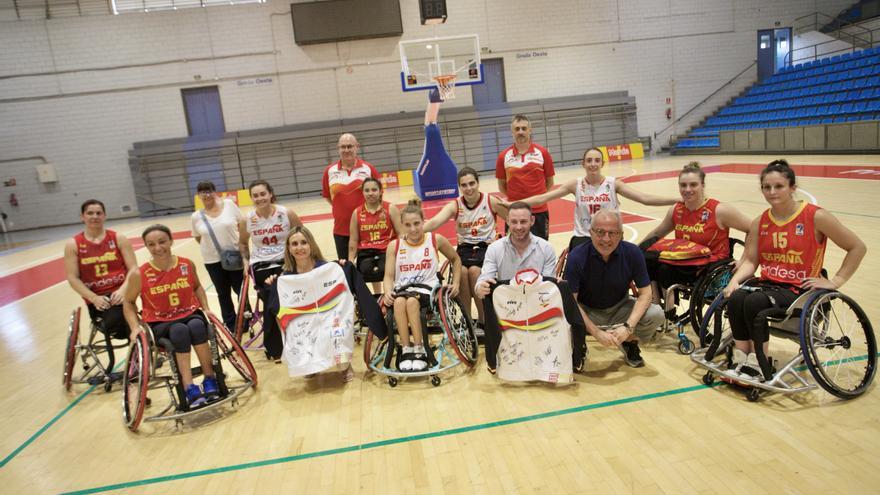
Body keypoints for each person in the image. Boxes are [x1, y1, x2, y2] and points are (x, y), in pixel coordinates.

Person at [722, 159, 866, 379]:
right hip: (770, 285)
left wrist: (835, 281)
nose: (772, 192)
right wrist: (735, 280)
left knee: (753, 302)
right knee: (736, 298)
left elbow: (857, 247)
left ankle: (760, 363)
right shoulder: (760, 221)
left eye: (778, 186)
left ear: (792, 188)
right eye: (766, 187)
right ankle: (742, 357)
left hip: (800, 289)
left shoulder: (815, 216)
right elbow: (751, 261)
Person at [122, 224, 220, 409]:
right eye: (151, 244)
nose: (158, 248)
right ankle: (189, 386)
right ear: (146, 247)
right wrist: (135, 327)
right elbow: (128, 302)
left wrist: (205, 308)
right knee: (179, 331)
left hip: (188, 312)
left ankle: (209, 378)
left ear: (171, 241)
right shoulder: (140, 273)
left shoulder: (186, 264)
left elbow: (197, 287)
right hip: (160, 321)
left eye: (162, 242)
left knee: (198, 327)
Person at [520, 147, 677, 252]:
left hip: (611, 235)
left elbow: (645, 198)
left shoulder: (613, 184)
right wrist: (515, 204)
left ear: (602, 163)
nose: (593, 164)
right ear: (583, 164)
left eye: (596, 160)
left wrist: (677, 199)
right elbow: (543, 198)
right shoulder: (576, 184)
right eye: (589, 160)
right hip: (584, 237)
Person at [565, 209, 665, 368]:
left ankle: (629, 342)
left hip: (619, 308)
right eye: (600, 232)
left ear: (621, 234)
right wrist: (596, 333)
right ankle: (579, 346)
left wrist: (628, 327)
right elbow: (572, 301)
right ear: (590, 233)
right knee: (562, 319)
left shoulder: (633, 253)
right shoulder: (577, 256)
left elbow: (646, 294)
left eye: (613, 233)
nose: (606, 239)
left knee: (656, 314)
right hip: (586, 310)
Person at [640, 162, 751, 304]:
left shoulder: (719, 210)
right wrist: (637, 249)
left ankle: (669, 311)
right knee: (645, 259)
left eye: (693, 185)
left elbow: (752, 228)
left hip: (710, 263)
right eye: (683, 185)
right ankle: (654, 303)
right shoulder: (676, 209)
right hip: (684, 260)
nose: (687, 189)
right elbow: (657, 232)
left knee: (664, 269)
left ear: (702, 185)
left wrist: (745, 259)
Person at [474, 202, 560, 372]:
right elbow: (484, 279)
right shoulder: (494, 249)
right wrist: (480, 288)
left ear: (532, 221)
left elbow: (549, 286)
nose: (519, 227)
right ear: (507, 221)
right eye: (514, 222)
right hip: (508, 310)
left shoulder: (546, 248)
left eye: (523, 222)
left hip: (537, 308)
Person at [424, 167, 508, 331]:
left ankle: (484, 321)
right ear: (459, 187)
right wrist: (415, 233)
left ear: (478, 183)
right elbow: (435, 222)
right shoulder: (455, 205)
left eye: (472, 183)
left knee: (475, 272)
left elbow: (512, 220)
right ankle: (467, 320)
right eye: (464, 185)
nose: (468, 188)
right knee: (460, 272)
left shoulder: (490, 201)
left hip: (486, 247)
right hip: (464, 248)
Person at [382, 199, 461, 372]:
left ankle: (420, 349)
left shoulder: (435, 240)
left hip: (428, 290)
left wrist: (456, 282)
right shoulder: (394, 246)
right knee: (398, 302)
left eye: (417, 223)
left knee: (411, 302)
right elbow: (388, 276)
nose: (413, 229)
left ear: (423, 221)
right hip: (403, 290)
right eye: (408, 225)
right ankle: (406, 348)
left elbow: (456, 259)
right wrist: (387, 290)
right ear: (401, 225)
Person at [273, 227, 355, 382]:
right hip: (306, 320)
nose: (299, 248)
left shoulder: (327, 268)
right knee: (300, 332)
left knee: (336, 330)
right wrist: (271, 284)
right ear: (289, 249)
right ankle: (309, 365)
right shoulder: (286, 278)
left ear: (311, 244)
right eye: (294, 244)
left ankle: (345, 365)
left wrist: (343, 267)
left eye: (304, 242)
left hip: (330, 317)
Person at [238, 179, 303, 362]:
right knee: (272, 291)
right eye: (255, 195)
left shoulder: (286, 213)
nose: (260, 198)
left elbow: (302, 234)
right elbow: (243, 244)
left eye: (262, 194)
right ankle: (278, 345)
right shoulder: (247, 220)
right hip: (262, 265)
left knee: (282, 291)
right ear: (251, 198)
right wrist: (245, 262)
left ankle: (293, 338)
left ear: (270, 194)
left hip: (286, 262)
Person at [64, 199, 137, 345]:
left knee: (123, 313)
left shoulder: (118, 238)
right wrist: (93, 298)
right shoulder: (73, 244)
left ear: (104, 216)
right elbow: (73, 278)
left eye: (99, 213)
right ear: (82, 216)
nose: (95, 216)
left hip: (121, 294)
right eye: (90, 213)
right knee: (118, 320)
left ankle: (138, 350)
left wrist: (123, 291)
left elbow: (133, 269)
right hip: (97, 299)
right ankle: (137, 347)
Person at [190, 181, 245, 331]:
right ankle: (231, 323)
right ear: (198, 195)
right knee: (223, 293)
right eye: (202, 192)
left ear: (215, 192)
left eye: (209, 191)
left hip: (234, 255)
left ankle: (245, 319)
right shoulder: (196, 216)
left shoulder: (229, 205)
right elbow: (198, 237)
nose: (206, 195)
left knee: (241, 289)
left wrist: (240, 245)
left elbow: (241, 224)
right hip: (212, 260)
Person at [496, 114, 555, 240]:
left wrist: (539, 198)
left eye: (524, 128)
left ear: (530, 130)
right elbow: (502, 186)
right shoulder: (503, 156)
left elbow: (549, 182)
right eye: (517, 129)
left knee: (540, 249)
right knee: (513, 251)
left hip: (539, 211)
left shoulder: (542, 153)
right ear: (512, 132)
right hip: (514, 212)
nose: (520, 132)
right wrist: (516, 201)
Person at [322, 133, 380, 260]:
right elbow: (328, 196)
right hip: (341, 230)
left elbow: (378, 196)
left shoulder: (368, 169)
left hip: (366, 228)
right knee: (346, 269)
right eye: (343, 147)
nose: (346, 150)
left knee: (370, 270)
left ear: (356, 147)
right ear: (338, 148)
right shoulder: (329, 171)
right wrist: (342, 209)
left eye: (349, 146)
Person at [347, 177, 401, 292]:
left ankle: (392, 294)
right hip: (366, 252)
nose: (370, 193)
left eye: (374, 190)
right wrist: (351, 259)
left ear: (381, 191)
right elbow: (353, 240)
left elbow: (401, 233)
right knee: (365, 268)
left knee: (385, 267)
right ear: (362, 192)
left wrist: (402, 254)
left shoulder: (390, 209)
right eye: (367, 190)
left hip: (386, 250)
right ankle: (376, 296)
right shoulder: (356, 213)